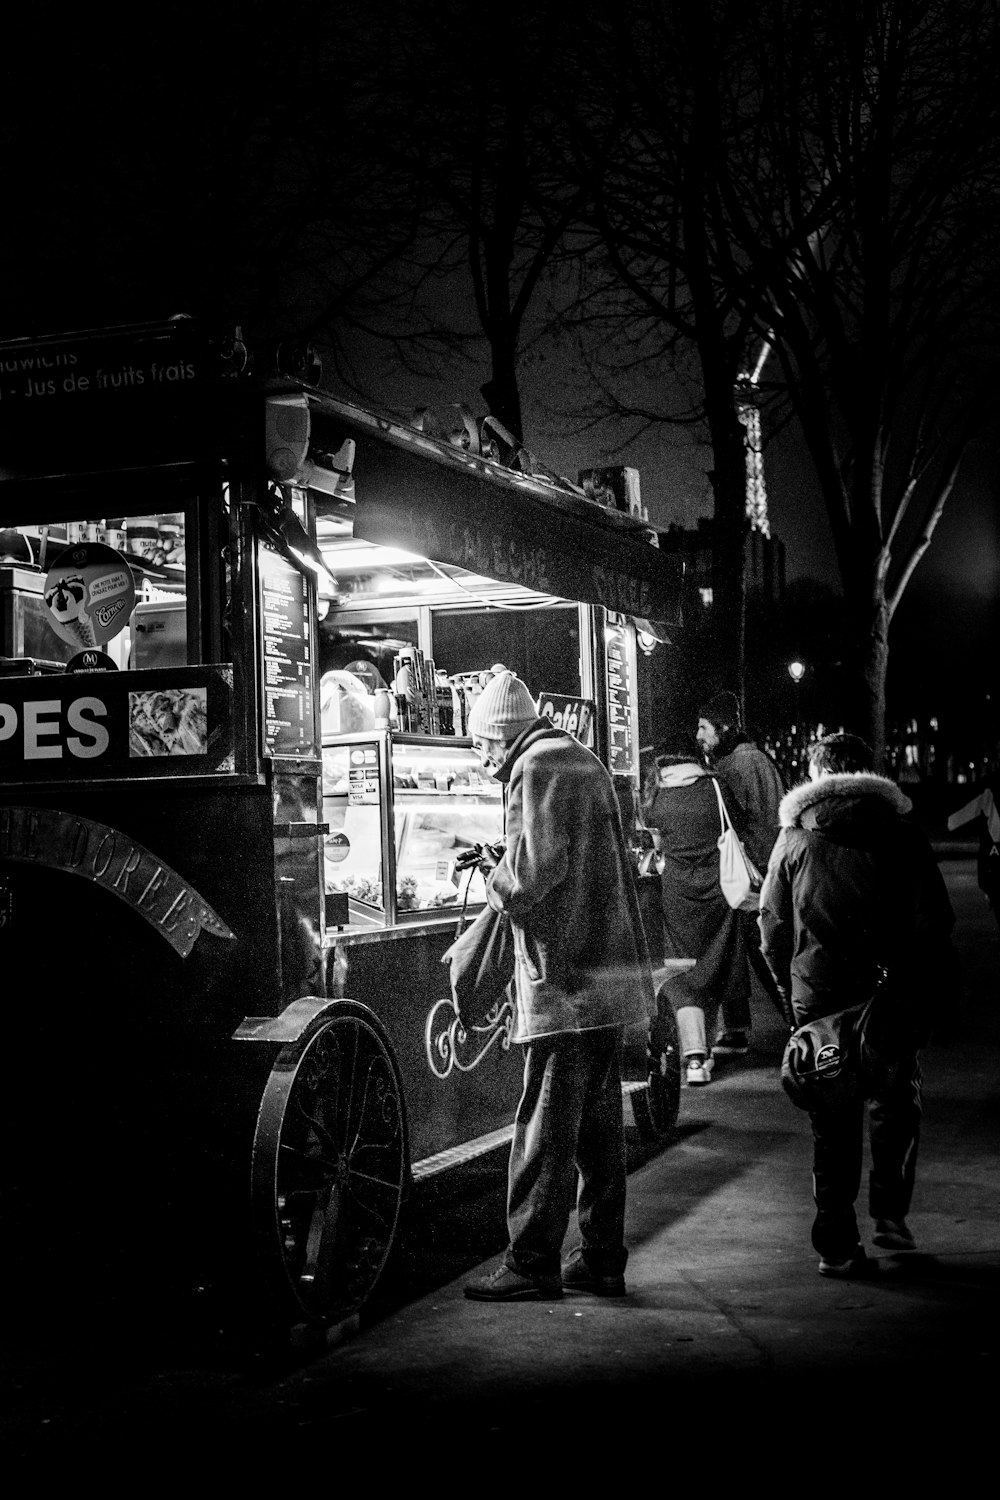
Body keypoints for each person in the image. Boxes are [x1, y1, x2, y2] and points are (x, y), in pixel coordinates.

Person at [461, 671, 654, 1302]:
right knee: (599, 1131)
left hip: (565, 982)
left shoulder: (533, 768)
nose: (483, 758)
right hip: (606, 977)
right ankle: (602, 1258)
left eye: (483, 745)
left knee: (544, 1127)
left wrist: (492, 869)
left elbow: (529, 881)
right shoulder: (579, 757)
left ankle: (532, 1259)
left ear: (501, 735)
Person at [759, 732, 955, 1278]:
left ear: (817, 776)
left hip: (817, 999)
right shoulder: (902, 836)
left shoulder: (794, 839)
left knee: (832, 1117)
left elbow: (771, 928)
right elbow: (933, 923)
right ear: (869, 773)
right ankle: (891, 1214)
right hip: (889, 993)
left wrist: (789, 992)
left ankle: (838, 1245)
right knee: (896, 1098)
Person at [641, 734, 749, 1086]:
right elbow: (740, 826)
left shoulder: (656, 793)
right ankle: (708, 1048)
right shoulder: (716, 788)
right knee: (714, 970)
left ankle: (694, 1057)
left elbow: (652, 844)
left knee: (683, 973)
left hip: (677, 895)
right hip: (719, 889)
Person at [696, 689, 788, 1050]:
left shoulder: (731, 767)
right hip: (769, 869)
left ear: (724, 727)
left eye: (705, 727)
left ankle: (745, 1027)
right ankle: (771, 1020)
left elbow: (728, 824)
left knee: (748, 949)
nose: (699, 735)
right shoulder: (761, 760)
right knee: (759, 948)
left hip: (748, 875)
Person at [947, 770, 1000, 935]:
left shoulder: (987, 797)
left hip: (992, 859)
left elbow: (963, 816)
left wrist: (949, 823)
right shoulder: (987, 798)